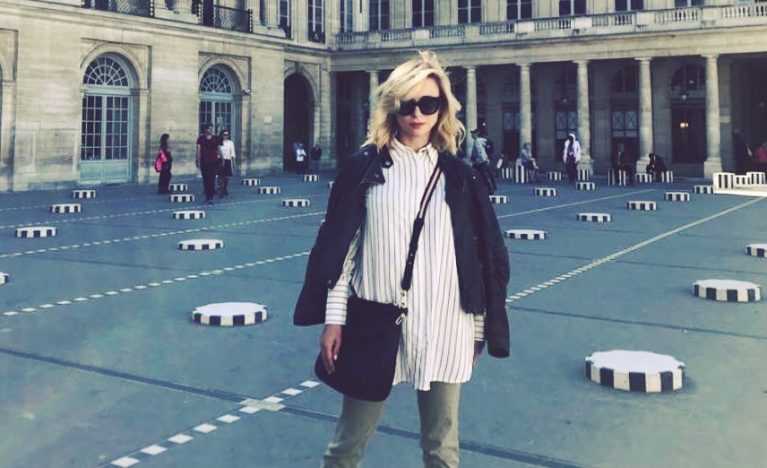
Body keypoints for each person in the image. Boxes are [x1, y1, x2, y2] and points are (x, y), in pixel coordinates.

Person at [294, 50, 510, 468]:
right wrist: (334, 318)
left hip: (447, 323)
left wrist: (478, 326)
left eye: (428, 104)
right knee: (346, 447)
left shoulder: (458, 175)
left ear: (442, 108)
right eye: (407, 104)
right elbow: (344, 251)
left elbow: (478, 257)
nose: (417, 114)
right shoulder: (365, 167)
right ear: (392, 106)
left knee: (442, 450)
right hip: (376, 322)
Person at [196, 124, 220, 204]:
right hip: (204, 161)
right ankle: (207, 196)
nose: (211, 130)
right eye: (209, 128)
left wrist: (222, 158)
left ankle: (211, 197)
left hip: (214, 161)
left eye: (212, 128)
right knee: (205, 180)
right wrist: (198, 160)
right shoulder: (201, 138)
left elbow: (218, 149)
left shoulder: (216, 138)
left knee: (212, 179)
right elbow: (198, 150)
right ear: (206, 130)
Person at [217, 129, 236, 197]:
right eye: (224, 134)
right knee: (220, 176)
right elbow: (217, 152)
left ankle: (225, 188)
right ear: (222, 135)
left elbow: (232, 153)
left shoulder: (230, 143)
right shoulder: (218, 142)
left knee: (227, 177)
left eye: (227, 135)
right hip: (220, 160)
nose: (226, 136)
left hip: (228, 160)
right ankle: (221, 189)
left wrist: (234, 163)